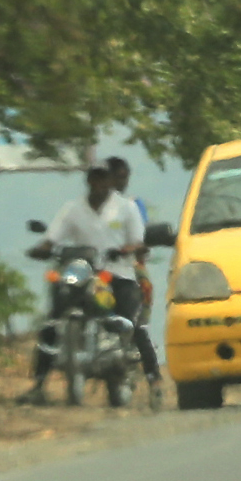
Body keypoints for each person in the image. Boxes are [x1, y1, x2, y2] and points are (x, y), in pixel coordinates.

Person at [21, 162, 143, 406]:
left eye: (103, 179)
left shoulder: (126, 208)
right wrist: (41, 249)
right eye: (95, 179)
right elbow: (52, 238)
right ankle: (39, 384)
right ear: (88, 181)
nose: (99, 184)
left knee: (128, 312)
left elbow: (138, 242)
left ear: (110, 181)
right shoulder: (72, 209)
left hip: (114, 272)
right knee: (52, 320)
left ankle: (129, 355)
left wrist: (122, 251)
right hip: (80, 272)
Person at [99, 156, 163, 387]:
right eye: (117, 177)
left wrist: (127, 251)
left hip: (129, 270)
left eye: (124, 177)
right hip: (97, 272)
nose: (121, 182)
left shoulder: (132, 206)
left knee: (136, 324)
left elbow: (141, 243)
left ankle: (153, 377)